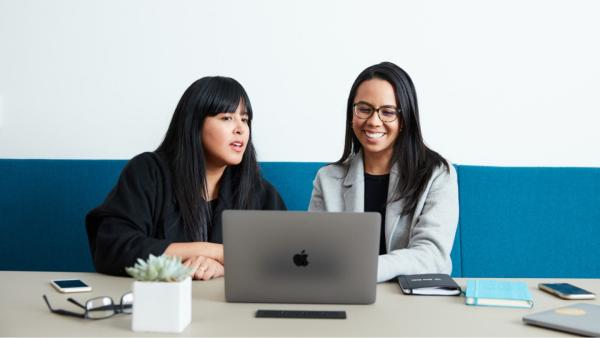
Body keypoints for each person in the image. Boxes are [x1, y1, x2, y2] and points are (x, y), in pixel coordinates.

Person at [86, 76, 286, 280]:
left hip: (226, 306)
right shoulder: (148, 172)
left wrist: (224, 268)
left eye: (244, 119)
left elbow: (284, 258)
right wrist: (213, 251)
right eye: (226, 118)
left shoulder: (259, 192)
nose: (241, 129)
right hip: (162, 303)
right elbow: (112, 247)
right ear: (195, 124)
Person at [309, 62, 458, 282]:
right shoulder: (327, 179)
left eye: (387, 112)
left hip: (411, 301)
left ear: (405, 119)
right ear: (352, 114)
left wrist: (366, 268)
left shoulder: (436, 174)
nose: (373, 121)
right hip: (347, 294)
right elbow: (314, 251)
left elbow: (432, 255)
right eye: (364, 109)